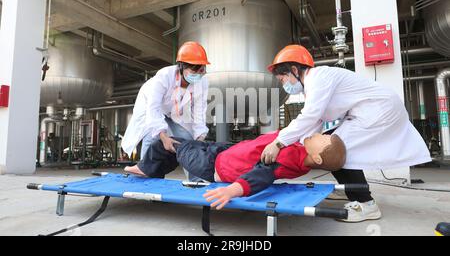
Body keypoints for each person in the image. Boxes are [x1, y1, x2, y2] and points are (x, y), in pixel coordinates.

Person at [260, 45, 431, 222]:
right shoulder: (311, 87)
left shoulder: (318, 78)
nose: (284, 85)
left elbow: (310, 116)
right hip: (369, 111)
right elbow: (315, 124)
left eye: (283, 79)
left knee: (336, 149)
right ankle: (349, 189)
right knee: (329, 144)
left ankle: (366, 204)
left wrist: (278, 143)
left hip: (378, 109)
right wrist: (297, 143)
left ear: (294, 70)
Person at [124, 131, 347, 210]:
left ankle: (144, 168)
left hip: (213, 166)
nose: (320, 134)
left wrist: (233, 191)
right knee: (182, 143)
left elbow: (261, 175)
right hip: (224, 151)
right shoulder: (300, 144)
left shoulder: (288, 159)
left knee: (170, 144)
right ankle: (149, 168)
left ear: (316, 157)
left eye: (323, 139)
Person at [121, 42, 210, 181]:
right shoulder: (164, 76)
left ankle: (197, 180)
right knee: (152, 138)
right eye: (194, 71)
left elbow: (199, 113)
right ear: (181, 67)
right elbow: (153, 108)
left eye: (202, 70)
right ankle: (146, 176)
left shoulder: (202, 82)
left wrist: (199, 138)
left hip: (171, 111)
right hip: (149, 105)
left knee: (187, 140)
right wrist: (163, 137)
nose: (199, 75)